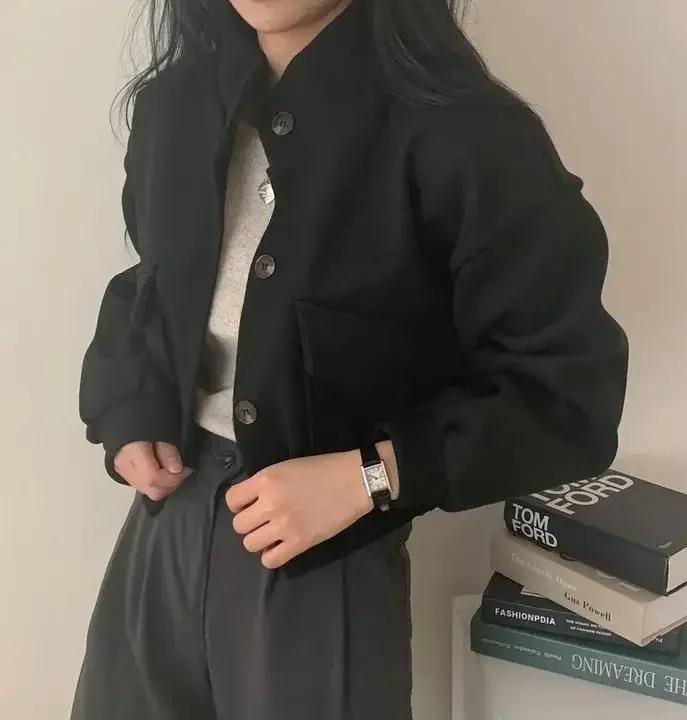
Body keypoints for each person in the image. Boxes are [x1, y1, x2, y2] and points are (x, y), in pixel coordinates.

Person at [71, 0, 629, 718]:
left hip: (321, 557)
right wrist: (132, 407)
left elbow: (565, 397)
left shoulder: (469, 135)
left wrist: (373, 475)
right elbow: (149, 283)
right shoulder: (174, 105)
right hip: (161, 524)